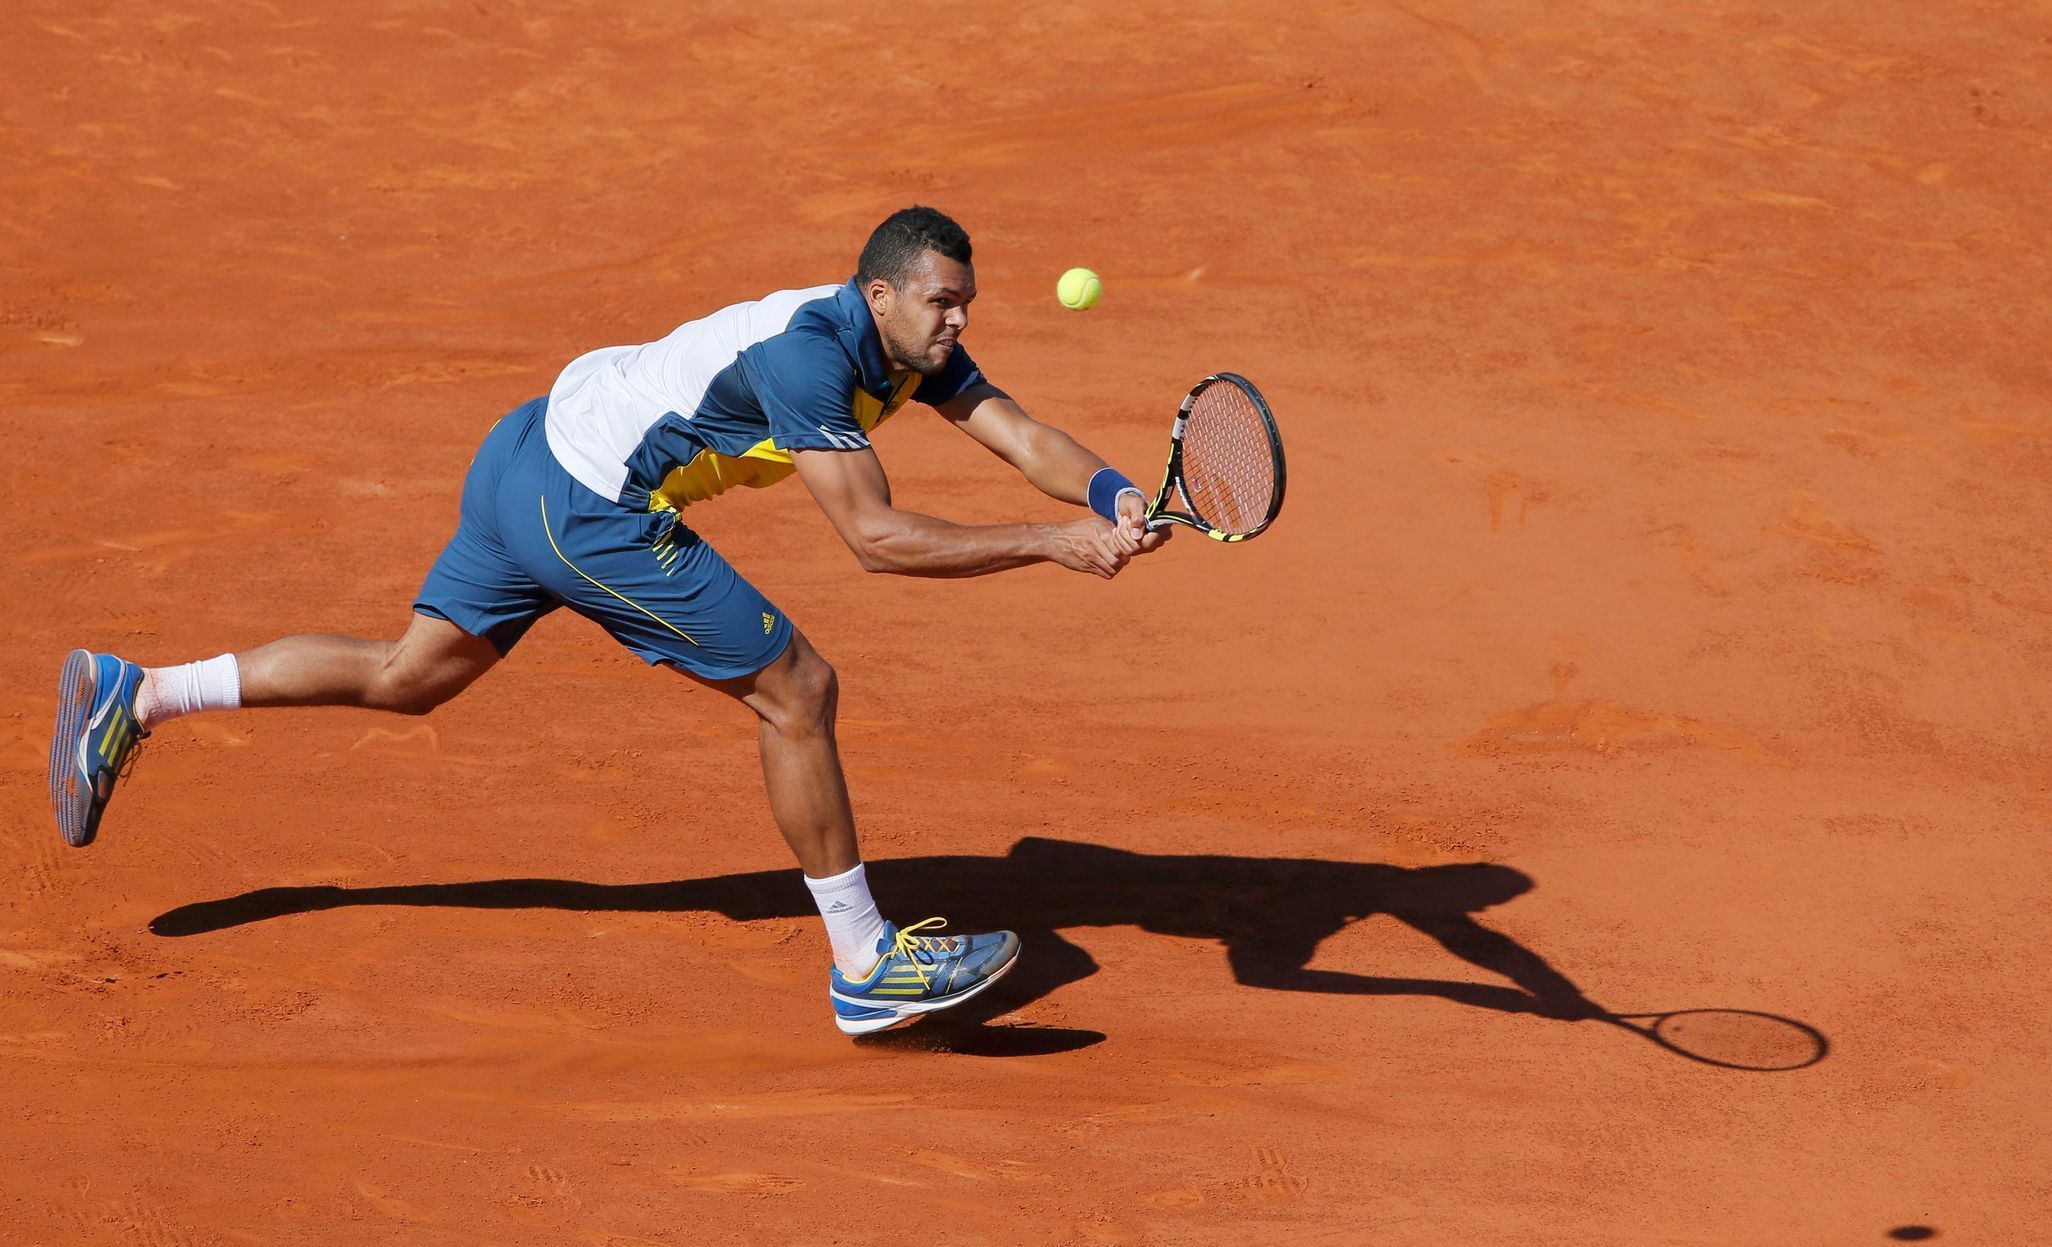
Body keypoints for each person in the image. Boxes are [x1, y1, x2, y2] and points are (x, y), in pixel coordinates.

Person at [48, 206, 1168, 1035]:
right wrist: (1046, 542)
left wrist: (1112, 492)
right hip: (589, 505)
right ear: (880, 295)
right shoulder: (810, 359)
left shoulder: (905, 348)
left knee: (412, 673)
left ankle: (139, 692)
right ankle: (864, 960)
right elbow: (873, 538)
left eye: (964, 301)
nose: (958, 319)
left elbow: (1021, 436)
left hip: (530, 446)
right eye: (941, 301)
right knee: (799, 689)